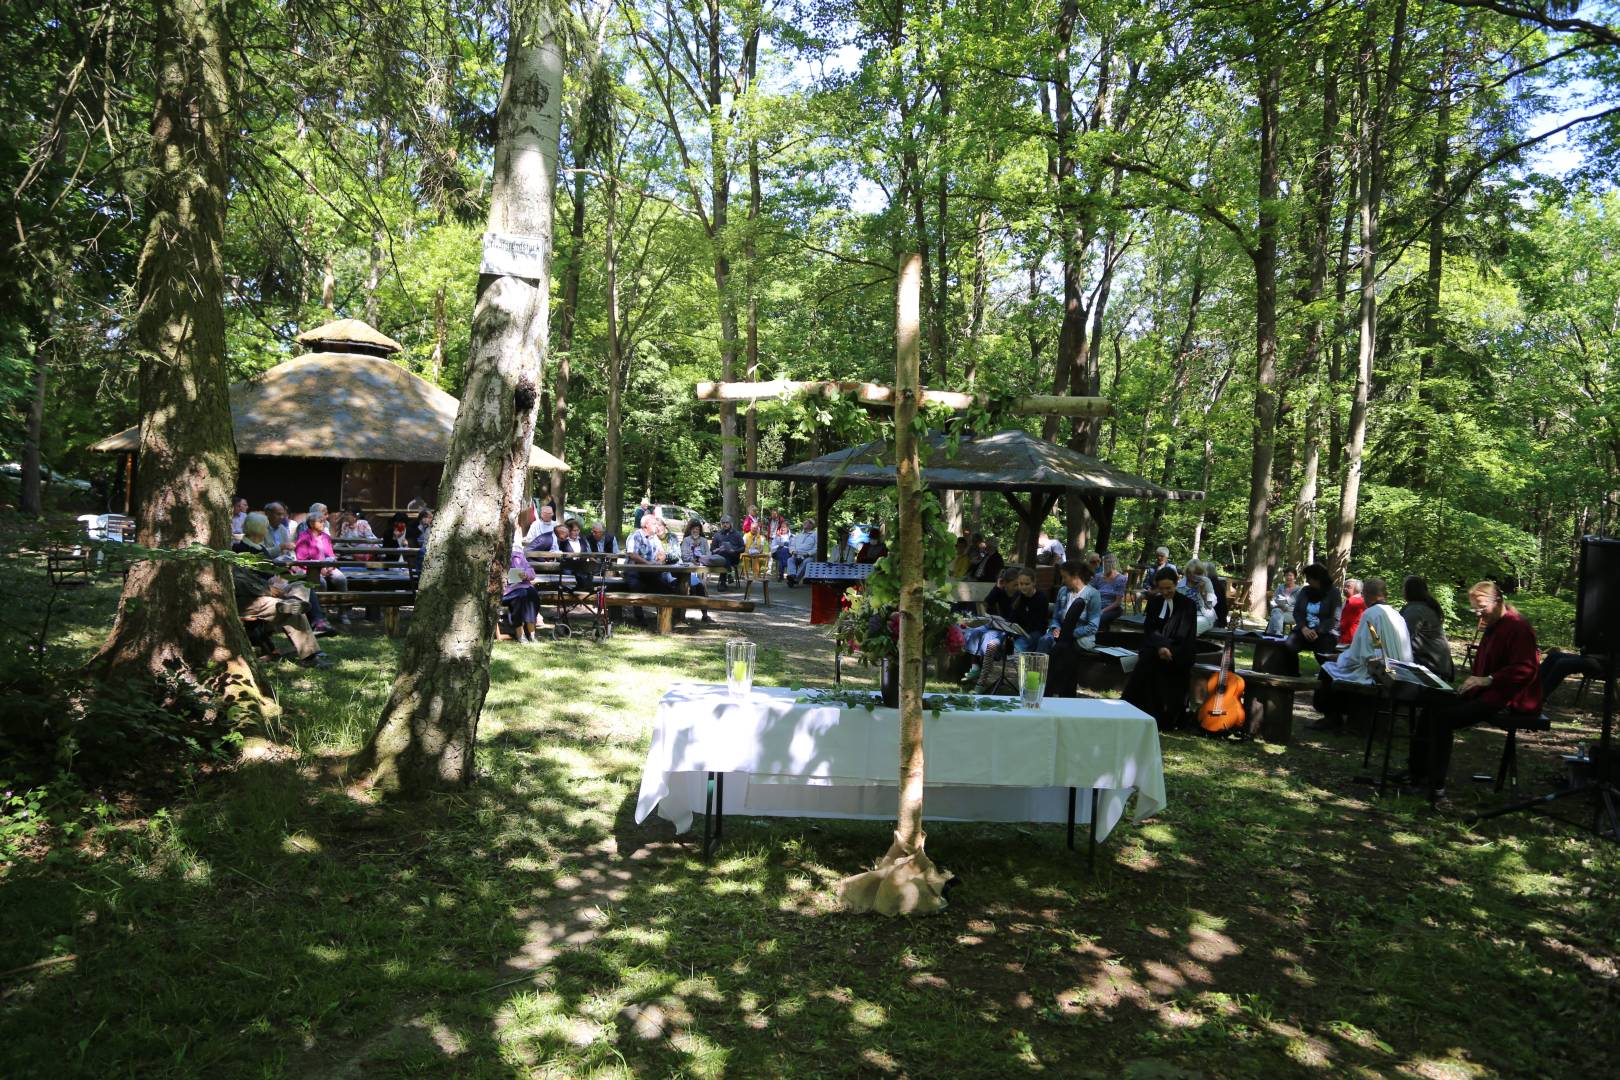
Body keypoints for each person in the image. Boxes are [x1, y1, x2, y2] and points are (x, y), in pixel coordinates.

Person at [1404, 581, 1543, 805]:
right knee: (1430, 704)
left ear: (1497, 601)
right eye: (1475, 609)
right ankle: (1417, 775)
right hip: (1486, 692)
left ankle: (1436, 788)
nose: (1478, 614)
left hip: (1508, 699)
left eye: (1482, 608)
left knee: (1444, 719)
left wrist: (1488, 679)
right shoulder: (1493, 625)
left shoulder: (1518, 628)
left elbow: (1525, 669)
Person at [1312, 577, 1413, 731]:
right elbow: (1376, 644)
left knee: (1327, 669)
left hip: (1379, 672)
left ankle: (1332, 718)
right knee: (1337, 667)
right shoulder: (1396, 615)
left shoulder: (1371, 614)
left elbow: (1362, 653)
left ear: (1365, 594)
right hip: (1399, 670)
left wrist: (1339, 657)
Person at [229, 528, 328, 667]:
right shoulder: (229, 556)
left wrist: (275, 583)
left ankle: (295, 600)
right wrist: (268, 589)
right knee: (291, 612)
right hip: (248, 600)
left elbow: (254, 578)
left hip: (263, 591)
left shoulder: (235, 553)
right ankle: (310, 657)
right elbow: (240, 584)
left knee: (303, 584)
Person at [1123, 567, 1200, 728]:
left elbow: (1184, 634)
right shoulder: (1155, 602)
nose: (1165, 592)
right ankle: (1134, 707)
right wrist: (1160, 647)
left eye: (1169, 588)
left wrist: (1168, 649)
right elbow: (1150, 629)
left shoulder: (1187, 605)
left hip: (1179, 650)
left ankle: (1165, 715)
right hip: (1156, 647)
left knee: (1158, 662)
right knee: (1147, 660)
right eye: (1162, 588)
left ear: (1176, 584)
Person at [975, 566, 1052, 692]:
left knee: (1017, 652)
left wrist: (1015, 631)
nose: (1023, 587)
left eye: (1026, 584)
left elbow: (1035, 624)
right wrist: (1009, 627)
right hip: (1014, 633)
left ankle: (1027, 689)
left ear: (1034, 583)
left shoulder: (1041, 597)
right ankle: (981, 683)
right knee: (991, 645)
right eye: (1020, 584)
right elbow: (1010, 618)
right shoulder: (1019, 597)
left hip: (1032, 634)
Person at [1047, 562, 1102, 696]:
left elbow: (1093, 626)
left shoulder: (1093, 594)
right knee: (1048, 643)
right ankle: (1052, 688)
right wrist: (1055, 628)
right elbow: (1055, 617)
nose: (1063, 580)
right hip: (1061, 636)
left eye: (1065, 577)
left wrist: (1069, 633)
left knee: (1065, 651)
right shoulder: (1062, 592)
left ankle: (1059, 690)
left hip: (1081, 637)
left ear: (1075, 576)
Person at [294, 510, 348, 622]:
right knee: (321, 582)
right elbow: (301, 559)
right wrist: (319, 568)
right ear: (312, 523)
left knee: (341, 579)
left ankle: (343, 613)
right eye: (321, 521)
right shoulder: (304, 537)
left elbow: (331, 555)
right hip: (311, 569)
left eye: (324, 521)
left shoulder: (325, 537)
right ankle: (322, 615)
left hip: (328, 567)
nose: (324, 523)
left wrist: (330, 566)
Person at [1401, 576, 1455, 682]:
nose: (1402, 591)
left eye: (1404, 587)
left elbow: (1402, 638)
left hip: (1431, 669)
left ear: (1409, 590)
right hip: (1435, 665)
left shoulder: (1416, 610)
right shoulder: (1422, 607)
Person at [626, 512, 674, 627]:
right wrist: (648, 563)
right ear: (646, 525)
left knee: (665, 585)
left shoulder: (654, 537)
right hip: (635, 571)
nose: (656, 526)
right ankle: (640, 618)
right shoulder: (636, 535)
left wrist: (660, 559)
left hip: (651, 572)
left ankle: (663, 617)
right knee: (635, 587)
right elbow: (632, 554)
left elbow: (661, 552)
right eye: (654, 523)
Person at [1286, 562, 1343, 659]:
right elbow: (1297, 612)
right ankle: (1291, 672)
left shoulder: (1333, 593)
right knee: (1289, 645)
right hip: (1304, 630)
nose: (1307, 580)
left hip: (1326, 632)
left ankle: (1326, 672)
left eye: (1309, 577)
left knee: (1322, 651)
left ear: (1318, 578)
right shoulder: (1305, 591)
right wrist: (1304, 628)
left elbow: (1335, 618)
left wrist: (1317, 631)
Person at [503, 537, 544, 643]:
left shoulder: (520, 555)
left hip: (524, 586)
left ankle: (532, 633)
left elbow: (531, 572)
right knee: (520, 596)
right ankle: (520, 633)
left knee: (532, 594)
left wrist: (526, 575)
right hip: (508, 590)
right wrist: (506, 577)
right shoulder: (500, 556)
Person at [679, 520, 718, 621]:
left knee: (702, 583)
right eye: (693, 529)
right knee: (693, 583)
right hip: (690, 565)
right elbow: (684, 555)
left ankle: (704, 614)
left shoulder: (704, 541)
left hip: (702, 564)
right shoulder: (686, 540)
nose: (695, 531)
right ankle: (683, 613)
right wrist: (693, 560)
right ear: (690, 530)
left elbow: (708, 554)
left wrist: (702, 560)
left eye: (697, 529)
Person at [1540, 647, 1607, 701]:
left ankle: (1540, 695)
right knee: (1554, 655)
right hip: (1589, 657)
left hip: (1604, 663)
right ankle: (1533, 687)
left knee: (1562, 663)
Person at [1179, 559, 1217, 635]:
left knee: (1191, 628)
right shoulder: (1181, 585)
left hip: (1204, 616)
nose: (1197, 576)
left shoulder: (1206, 581)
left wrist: (1203, 592)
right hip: (1185, 616)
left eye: (1199, 573)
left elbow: (1210, 605)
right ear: (1187, 573)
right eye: (1194, 573)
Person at [709, 517, 745, 585]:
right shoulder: (717, 535)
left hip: (734, 557)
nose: (725, 524)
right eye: (723, 523)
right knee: (724, 553)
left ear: (730, 524)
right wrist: (718, 549)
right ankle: (729, 574)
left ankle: (723, 582)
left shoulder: (737, 534)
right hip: (721, 557)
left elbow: (743, 548)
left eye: (727, 523)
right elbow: (712, 549)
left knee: (725, 554)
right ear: (721, 524)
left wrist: (734, 550)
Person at [1095, 553, 1128, 628]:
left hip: (1113, 608)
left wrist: (1102, 611)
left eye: (1110, 562)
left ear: (1114, 563)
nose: (1107, 564)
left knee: (1097, 620)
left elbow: (1117, 602)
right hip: (1097, 606)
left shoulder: (1121, 579)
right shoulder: (1098, 576)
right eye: (1105, 562)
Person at [1267, 570, 1299, 636]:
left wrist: (1286, 607)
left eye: (1290, 575)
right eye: (1286, 575)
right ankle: (1278, 633)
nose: (1288, 577)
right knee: (1276, 611)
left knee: (1275, 616)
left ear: (1295, 577)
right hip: (1278, 610)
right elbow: (1273, 601)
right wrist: (1275, 605)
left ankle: (1270, 634)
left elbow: (1300, 606)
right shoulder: (1280, 587)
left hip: (1292, 614)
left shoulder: (1299, 590)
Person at [786, 519, 817, 585]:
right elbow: (792, 545)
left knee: (807, 562)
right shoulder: (799, 535)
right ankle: (792, 575)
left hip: (809, 556)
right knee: (790, 559)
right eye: (804, 522)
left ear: (811, 525)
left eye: (807, 522)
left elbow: (817, 547)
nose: (804, 523)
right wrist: (793, 551)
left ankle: (796, 579)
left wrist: (808, 554)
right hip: (797, 555)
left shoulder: (815, 534)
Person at [1338, 578, 1366, 644]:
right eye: (1344, 586)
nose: (1345, 589)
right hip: (1356, 638)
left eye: (1348, 587)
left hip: (1349, 638)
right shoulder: (1361, 600)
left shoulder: (1353, 602)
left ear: (1357, 589)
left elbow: (1345, 623)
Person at [770, 515, 794, 581]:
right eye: (781, 527)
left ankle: (781, 574)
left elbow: (793, 547)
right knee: (783, 550)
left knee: (784, 551)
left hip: (788, 553)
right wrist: (779, 545)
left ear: (788, 528)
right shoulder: (776, 536)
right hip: (776, 553)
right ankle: (789, 574)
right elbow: (772, 548)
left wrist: (787, 548)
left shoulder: (792, 536)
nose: (782, 528)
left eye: (784, 527)